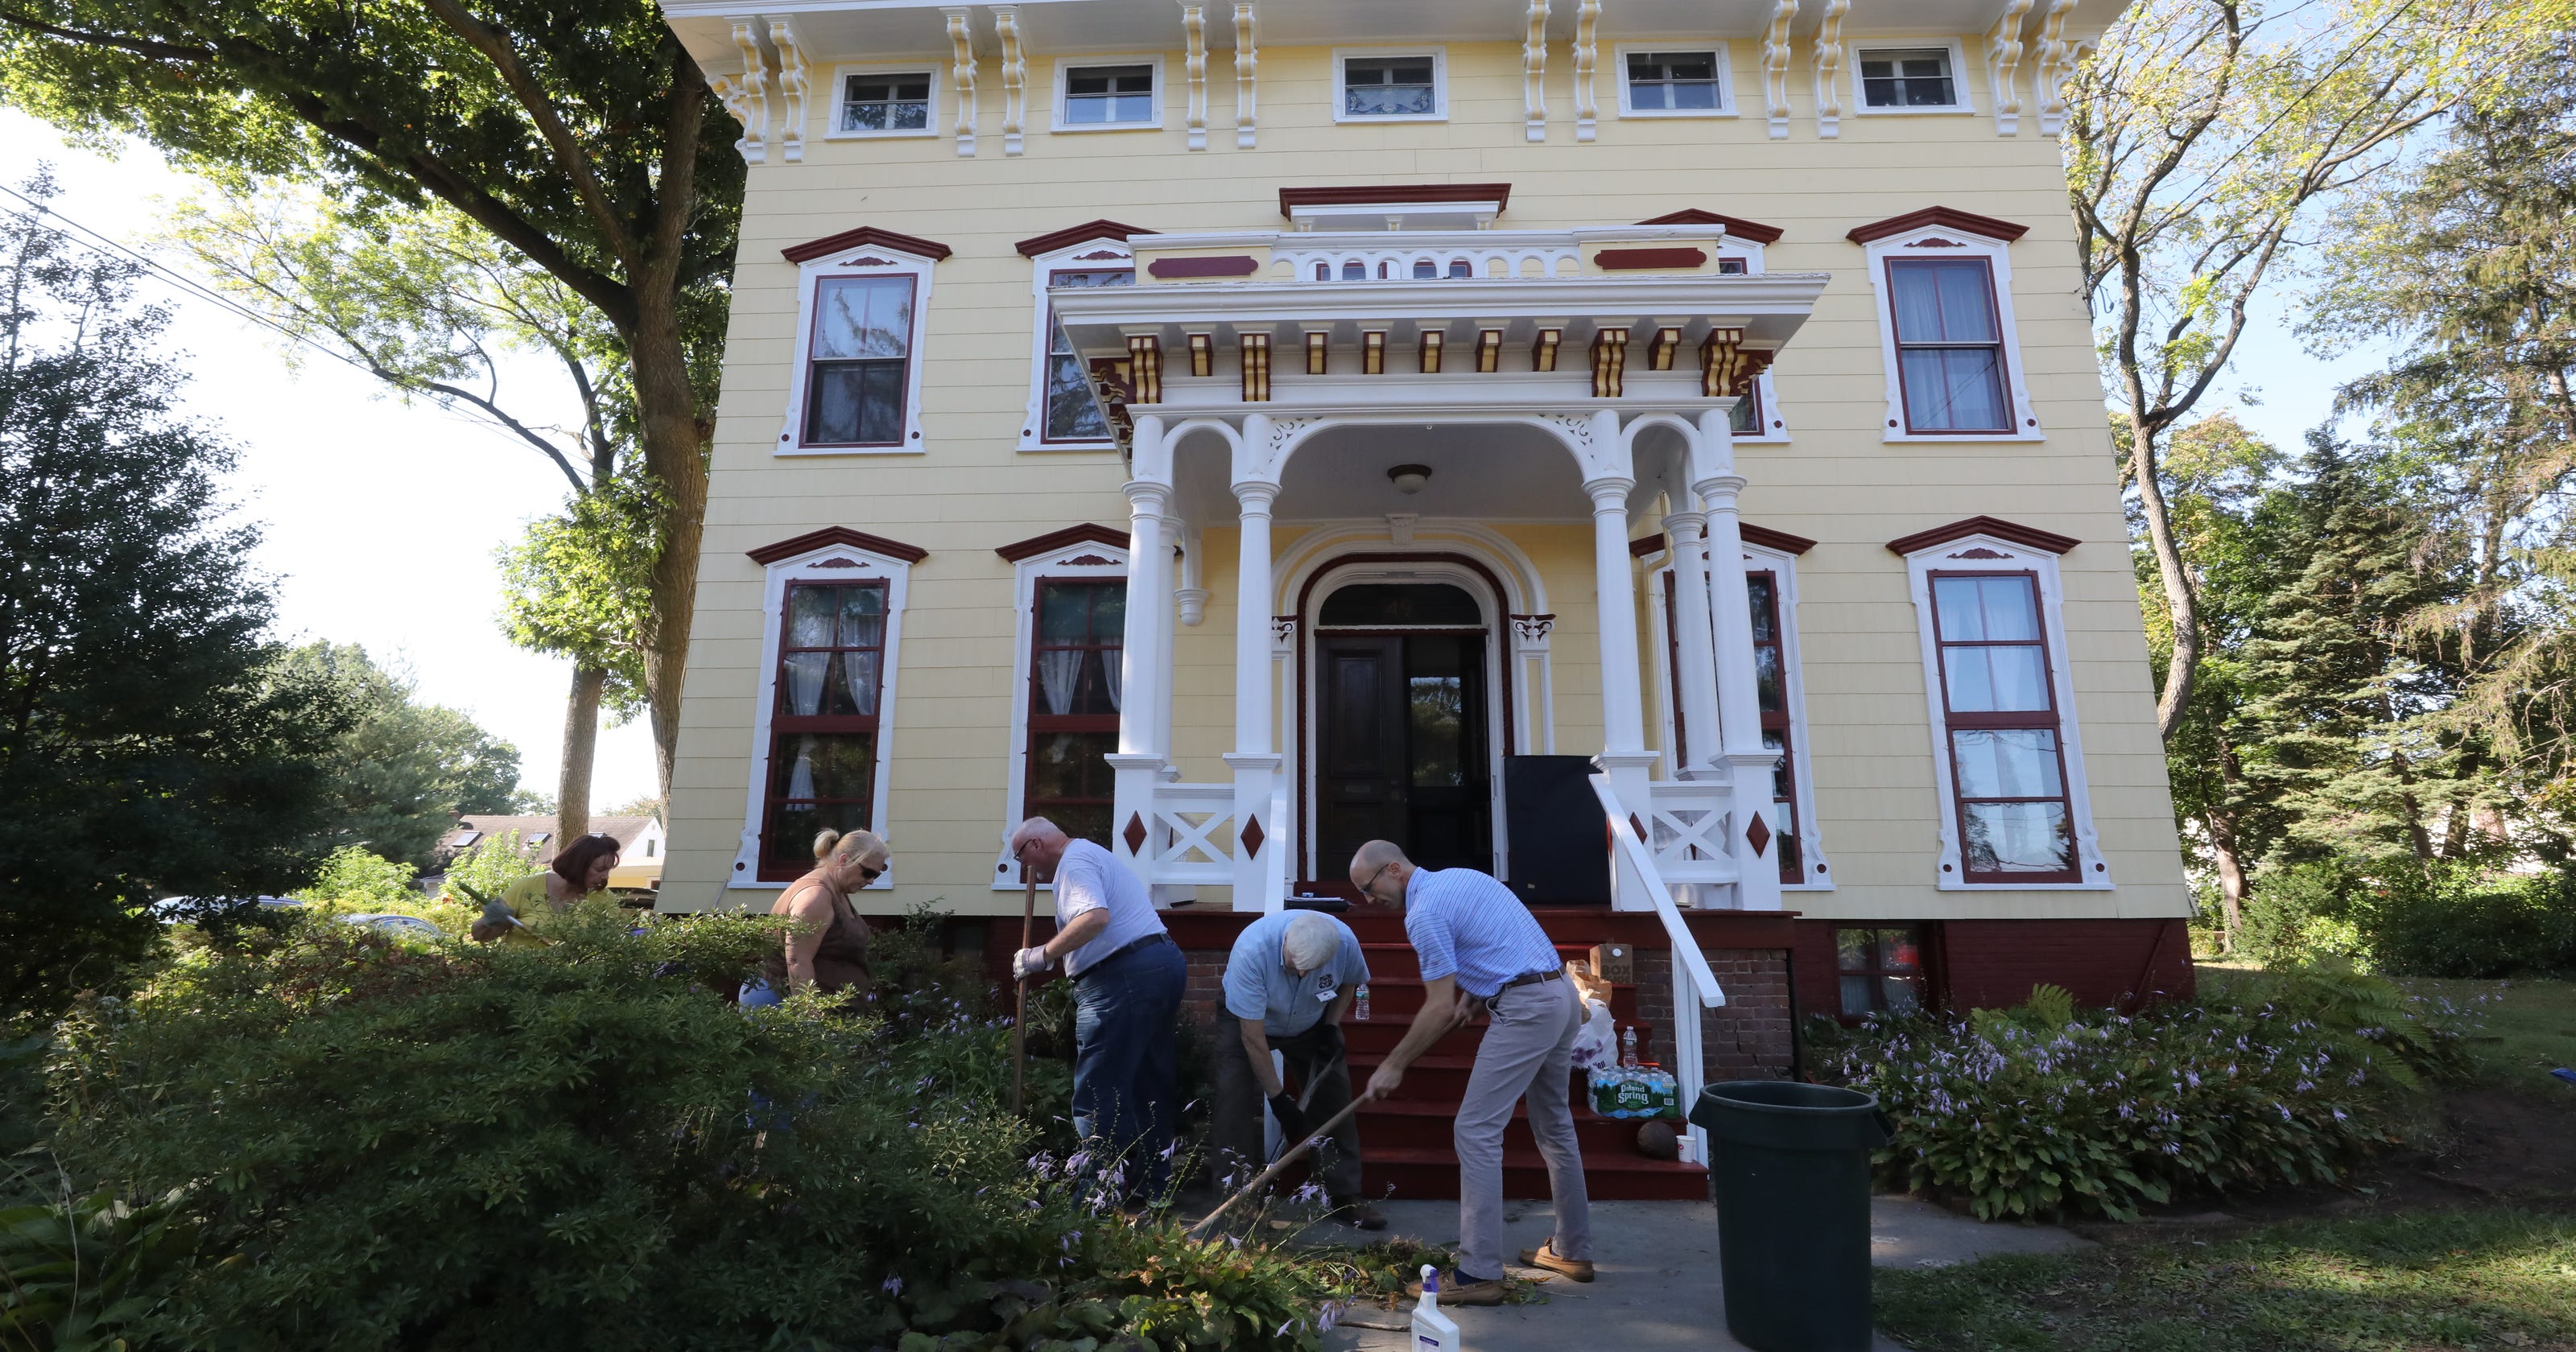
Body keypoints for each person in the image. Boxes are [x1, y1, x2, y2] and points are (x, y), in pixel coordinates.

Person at [1351, 839, 1593, 1304]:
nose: (1368, 901)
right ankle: (1572, 1251)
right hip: (1560, 996)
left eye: (1368, 888)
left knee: (1476, 1130)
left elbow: (1437, 1008)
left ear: (1394, 870)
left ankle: (1479, 1273)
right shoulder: (1462, 878)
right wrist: (1478, 994)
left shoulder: (1422, 914)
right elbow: (1504, 943)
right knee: (1556, 1127)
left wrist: (1393, 1064)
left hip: (1527, 1009)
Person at [1007, 816, 1184, 1207]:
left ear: (1035, 846)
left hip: (1120, 979)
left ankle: (1095, 1199)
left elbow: (1094, 917)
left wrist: (1041, 956)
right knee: (1147, 1082)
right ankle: (1153, 1189)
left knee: (1100, 1088)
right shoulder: (1093, 853)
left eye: (1022, 857)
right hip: (1160, 965)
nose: (1026, 867)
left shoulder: (1074, 862)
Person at [1213, 910, 1385, 1230]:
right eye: (1296, 969)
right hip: (1249, 1021)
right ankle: (1237, 1203)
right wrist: (1280, 1101)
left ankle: (1344, 1196)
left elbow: (1350, 981)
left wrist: (1331, 1027)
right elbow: (1253, 1039)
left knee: (1335, 1098)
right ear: (1286, 947)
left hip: (1310, 1021)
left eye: (1313, 971)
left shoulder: (1345, 942)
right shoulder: (1252, 952)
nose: (1304, 976)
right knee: (1232, 1100)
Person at [739, 827, 886, 1008]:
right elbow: (797, 961)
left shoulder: (836, 889)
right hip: (779, 1000)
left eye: (877, 875)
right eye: (868, 873)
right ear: (844, 860)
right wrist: (809, 1017)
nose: (871, 881)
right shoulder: (817, 896)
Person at [469, 832, 621, 943]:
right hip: (514, 983)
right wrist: (489, 921)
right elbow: (480, 936)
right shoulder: (527, 887)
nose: (605, 877)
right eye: (600, 870)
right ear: (578, 865)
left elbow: (612, 947)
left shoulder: (605, 901)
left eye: (608, 871)